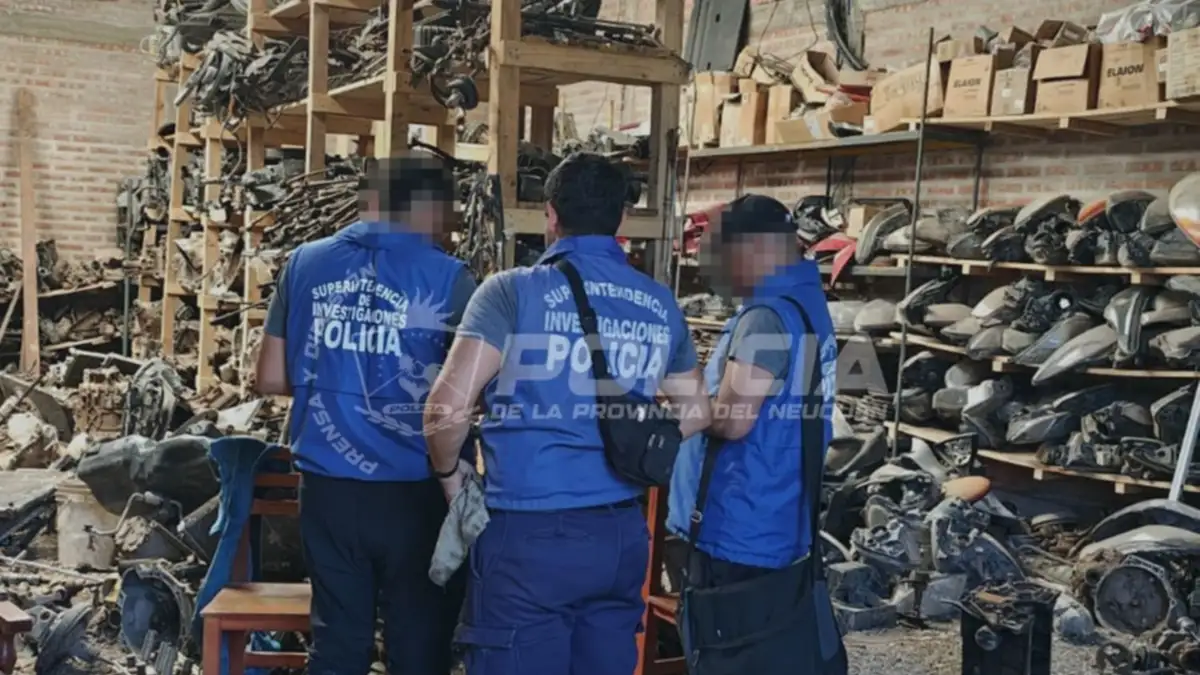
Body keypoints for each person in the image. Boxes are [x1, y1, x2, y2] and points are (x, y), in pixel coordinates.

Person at [423, 152, 711, 675]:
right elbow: (698, 410)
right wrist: (637, 445)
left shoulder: (512, 291)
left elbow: (445, 409)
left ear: (551, 215)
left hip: (527, 538)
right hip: (619, 538)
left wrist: (450, 477)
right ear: (622, 219)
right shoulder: (658, 302)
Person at [254, 155, 476, 675]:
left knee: (338, 644)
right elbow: (470, 393)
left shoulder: (304, 263)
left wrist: (333, 376)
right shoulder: (450, 278)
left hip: (327, 489)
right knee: (419, 646)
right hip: (416, 492)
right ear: (428, 208)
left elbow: (270, 376)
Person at [667, 194, 847, 674]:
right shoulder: (806, 304)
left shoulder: (766, 315)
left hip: (738, 522)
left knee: (730, 653)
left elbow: (733, 419)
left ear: (756, 248)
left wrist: (678, 402)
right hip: (780, 513)